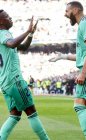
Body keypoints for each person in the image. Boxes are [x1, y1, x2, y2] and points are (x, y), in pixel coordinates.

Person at [49, 1, 86, 140]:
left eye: (67, 11)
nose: (65, 14)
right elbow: (83, 55)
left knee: (79, 106)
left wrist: (83, 72)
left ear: (75, 10)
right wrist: (63, 56)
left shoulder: (85, 24)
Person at [0, 10, 50, 140]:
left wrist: (31, 34)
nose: (11, 18)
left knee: (15, 115)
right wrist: (27, 31)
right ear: (1, 21)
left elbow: (22, 47)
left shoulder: (5, 36)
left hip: (5, 83)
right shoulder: (3, 34)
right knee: (31, 112)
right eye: (7, 16)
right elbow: (12, 44)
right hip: (14, 80)